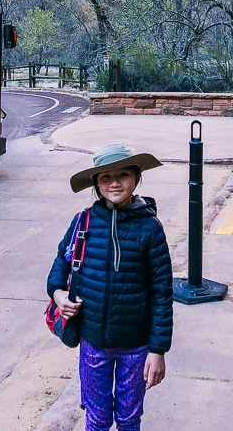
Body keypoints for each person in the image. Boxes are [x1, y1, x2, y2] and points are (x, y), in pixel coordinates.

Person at [47, 143, 173, 431]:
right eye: (105, 177)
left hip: (136, 346)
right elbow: (60, 265)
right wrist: (58, 294)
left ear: (137, 177)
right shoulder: (83, 223)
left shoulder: (150, 229)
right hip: (93, 343)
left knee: (129, 418)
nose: (115, 182)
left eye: (123, 174)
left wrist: (158, 349)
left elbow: (162, 293)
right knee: (97, 417)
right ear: (96, 183)